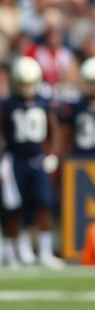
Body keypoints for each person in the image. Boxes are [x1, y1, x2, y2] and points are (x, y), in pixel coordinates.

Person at [0, 56, 63, 268]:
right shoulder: (7, 104)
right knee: (12, 207)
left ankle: (45, 251)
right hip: (15, 160)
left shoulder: (44, 102)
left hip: (37, 160)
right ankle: (10, 252)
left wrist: (52, 154)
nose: (26, 87)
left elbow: (54, 131)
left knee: (44, 204)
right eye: (22, 83)